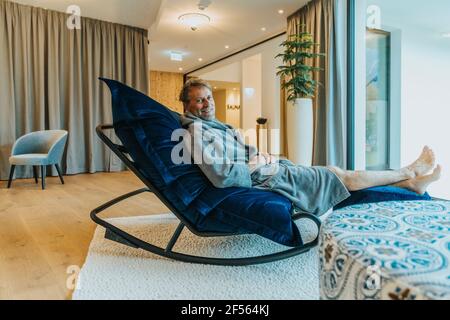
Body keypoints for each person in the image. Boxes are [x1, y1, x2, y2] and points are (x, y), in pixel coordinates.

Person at [178, 79, 442, 216]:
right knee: (340, 176)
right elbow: (221, 175)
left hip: (273, 169)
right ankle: (408, 172)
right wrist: (256, 163)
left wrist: (262, 155)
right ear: (187, 106)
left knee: (339, 182)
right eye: (199, 100)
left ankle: (410, 186)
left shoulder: (221, 127)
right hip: (268, 179)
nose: (207, 103)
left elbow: (249, 154)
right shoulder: (195, 132)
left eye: (209, 97)